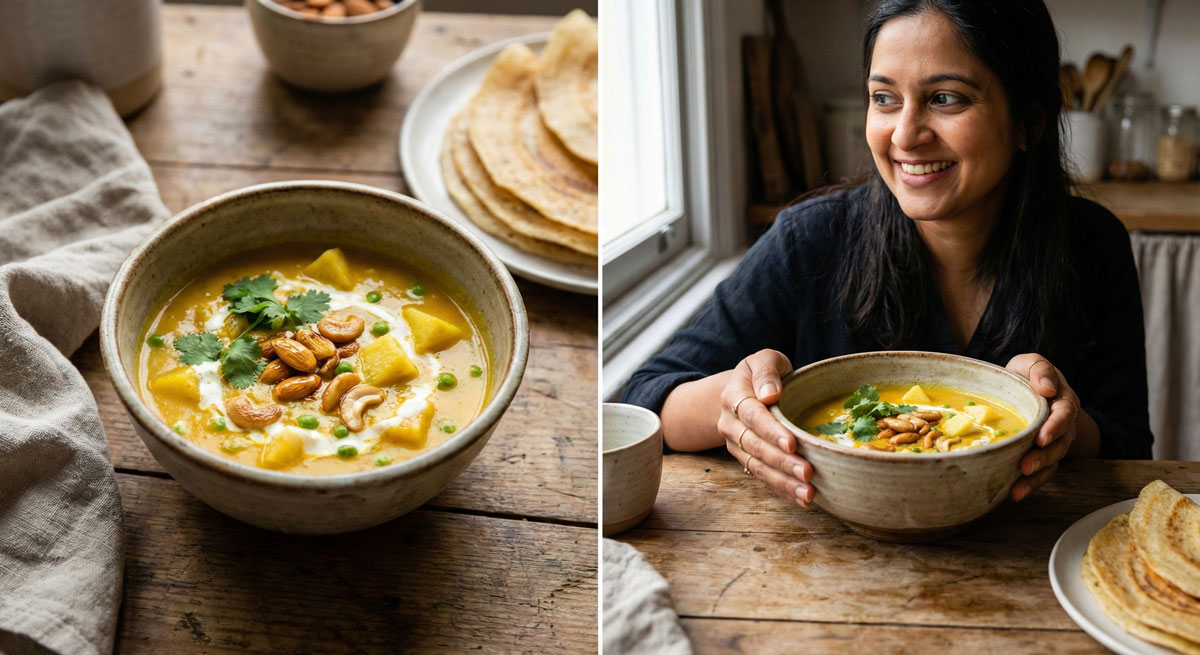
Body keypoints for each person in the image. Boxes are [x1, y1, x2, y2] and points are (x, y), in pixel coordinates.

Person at [621, 0, 1153, 508]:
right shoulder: (809, 239)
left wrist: (1061, 421)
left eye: (946, 98)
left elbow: (1128, 447)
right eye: (884, 98)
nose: (904, 134)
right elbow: (642, 399)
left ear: (1028, 123)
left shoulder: (1092, 244)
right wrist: (732, 403)